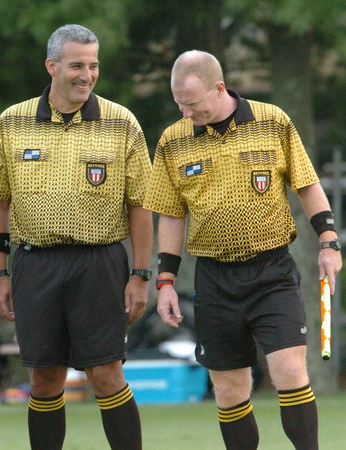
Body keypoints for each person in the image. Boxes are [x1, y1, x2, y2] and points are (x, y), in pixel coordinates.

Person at [145, 50, 343, 450]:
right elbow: (170, 214)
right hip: (214, 278)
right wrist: (165, 281)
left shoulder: (273, 121)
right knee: (229, 387)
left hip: (272, 271)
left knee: (290, 371)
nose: (186, 113)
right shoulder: (172, 140)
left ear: (219, 88)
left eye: (193, 104)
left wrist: (329, 242)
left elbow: (307, 184)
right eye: (179, 103)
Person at [0, 24, 152, 450]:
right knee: (44, 377)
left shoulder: (122, 122)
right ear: (52, 66)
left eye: (93, 65)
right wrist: (0, 274)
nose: (87, 75)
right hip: (35, 264)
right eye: (77, 65)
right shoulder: (11, 123)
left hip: (100, 263)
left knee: (106, 374)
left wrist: (140, 274)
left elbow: (141, 206)